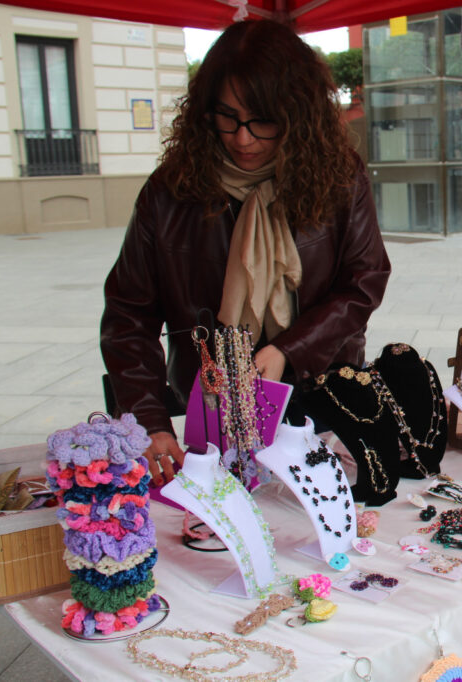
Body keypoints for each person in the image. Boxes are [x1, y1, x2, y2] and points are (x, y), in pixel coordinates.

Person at [101, 19, 391, 486]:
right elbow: (127, 316)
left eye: (263, 120)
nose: (242, 138)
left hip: (324, 395)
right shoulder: (169, 191)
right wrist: (150, 421)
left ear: (298, 116)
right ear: (205, 112)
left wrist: (288, 350)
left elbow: (364, 280)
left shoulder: (339, 177)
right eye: (227, 117)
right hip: (212, 410)